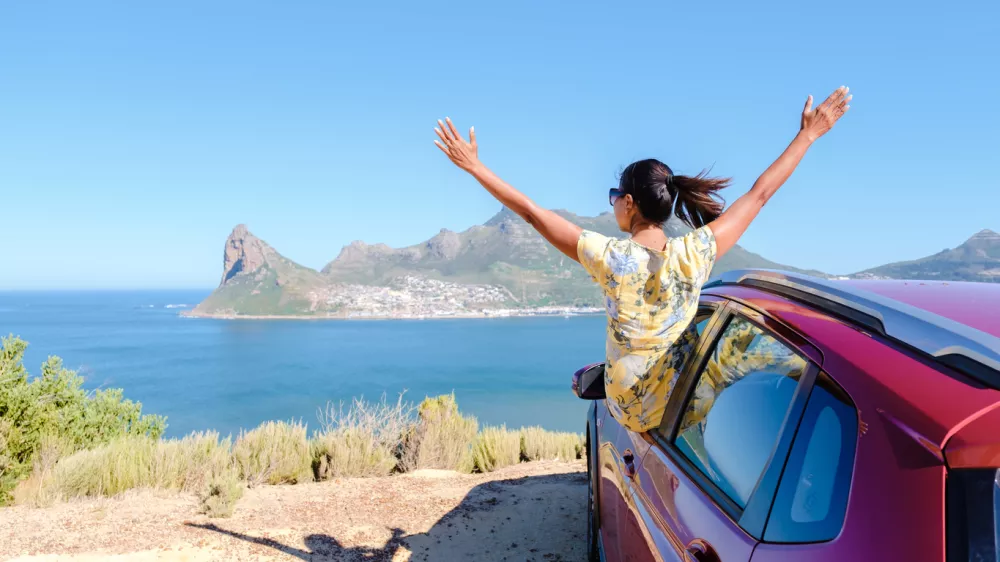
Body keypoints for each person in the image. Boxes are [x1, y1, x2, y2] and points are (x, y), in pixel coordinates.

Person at [433, 86, 851, 432]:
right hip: (687, 402)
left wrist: (474, 167)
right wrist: (808, 136)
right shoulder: (696, 252)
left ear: (629, 204)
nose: (613, 204)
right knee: (741, 336)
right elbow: (759, 194)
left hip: (636, 410)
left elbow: (531, 213)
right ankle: (840, 386)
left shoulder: (611, 257)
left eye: (615, 197)